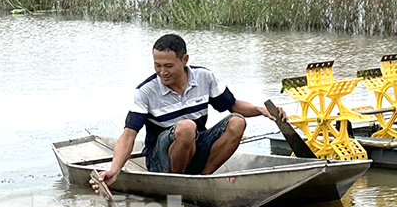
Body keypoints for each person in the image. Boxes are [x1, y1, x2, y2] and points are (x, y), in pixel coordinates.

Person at [95, 33, 283, 187]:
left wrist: (261, 110)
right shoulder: (146, 91)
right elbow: (129, 134)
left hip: (195, 148)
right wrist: (114, 169)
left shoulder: (204, 77)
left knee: (237, 121)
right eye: (157, 66)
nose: (162, 72)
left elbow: (232, 105)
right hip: (161, 159)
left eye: (168, 66)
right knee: (186, 127)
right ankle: (180, 182)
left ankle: (203, 178)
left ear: (184, 60)